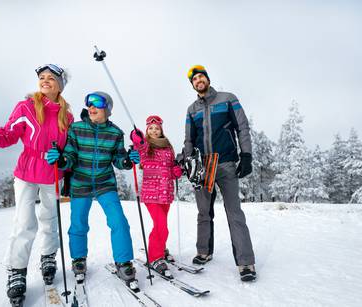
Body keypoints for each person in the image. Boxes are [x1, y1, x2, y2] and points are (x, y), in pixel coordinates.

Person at [0, 64, 74, 303]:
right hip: (27, 172)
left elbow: (70, 149)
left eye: (52, 78)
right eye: (42, 77)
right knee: (24, 222)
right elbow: (7, 135)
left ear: (61, 85)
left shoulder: (67, 116)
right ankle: (17, 270)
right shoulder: (27, 107)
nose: (45, 81)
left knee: (50, 219)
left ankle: (48, 255)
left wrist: (66, 167)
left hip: (52, 174)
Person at [46, 91, 141, 288]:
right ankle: (78, 259)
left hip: (105, 182)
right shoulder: (76, 129)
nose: (91, 107)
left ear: (108, 108)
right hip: (81, 182)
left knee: (119, 221)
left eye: (97, 103)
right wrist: (62, 159)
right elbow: (70, 155)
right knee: (78, 223)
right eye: (89, 103)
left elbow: (118, 159)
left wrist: (127, 161)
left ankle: (123, 261)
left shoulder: (116, 133)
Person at [183, 65, 257, 282]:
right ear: (193, 85)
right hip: (203, 166)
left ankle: (246, 263)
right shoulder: (191, 110)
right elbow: (189, 139)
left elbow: (242, 127)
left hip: (225, 163)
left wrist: (246, 155)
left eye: (201, 77)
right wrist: (189, 162)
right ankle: (204, 251)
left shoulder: (227, 99)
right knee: (203, 211)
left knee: (234, 212)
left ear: (207, 79)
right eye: (195, 79)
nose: (198, 81)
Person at [129, 115, 183, 277]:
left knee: (162, 226)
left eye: (156, 128)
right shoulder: (147, 146)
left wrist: (176, 171)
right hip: (151, 194)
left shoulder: (168, 147)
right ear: (147, 130)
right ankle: (154, 257)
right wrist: (136, 136)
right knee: (161, 225)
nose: (154, 130)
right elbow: (139, 146)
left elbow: (172, 165)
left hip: (166, 192)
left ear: (161, 130)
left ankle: (160, 248)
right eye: (150, 128)